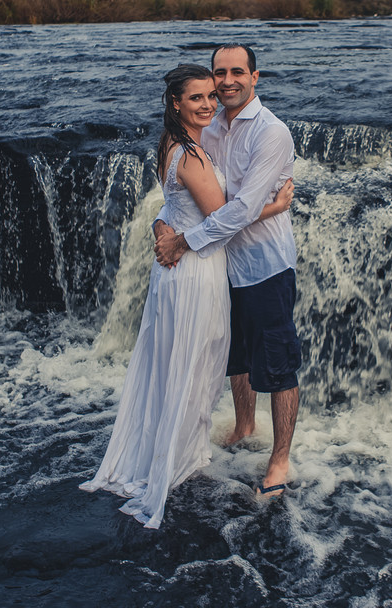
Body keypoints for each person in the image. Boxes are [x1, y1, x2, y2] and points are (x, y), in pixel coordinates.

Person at [80, 63, 291, 529]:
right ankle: (175, 461)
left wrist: (163, 225)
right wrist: (275, 205)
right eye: (197, 97)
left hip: (178, 270)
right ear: (176, 103)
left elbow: (174, 205)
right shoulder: (193, 154)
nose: (208, 104)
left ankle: (167, 453)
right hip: (195, 271)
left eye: (211, 96)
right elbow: (226, 215)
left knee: (174, 361)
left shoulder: (171, 144)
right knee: (194, 362)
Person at [154, 43, 300, 499]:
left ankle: (280, 459)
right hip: (219, 267)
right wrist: (161, 224)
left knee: (278, 364)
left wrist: (183, 241)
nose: (228, 80)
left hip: (262, 266)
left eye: (238, 71)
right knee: (235, 357)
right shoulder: (209, 124)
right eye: (220, 72)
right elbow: (185, 192)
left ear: (256, 77)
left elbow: (241, 209)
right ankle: (242, 424)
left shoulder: (271, 133)